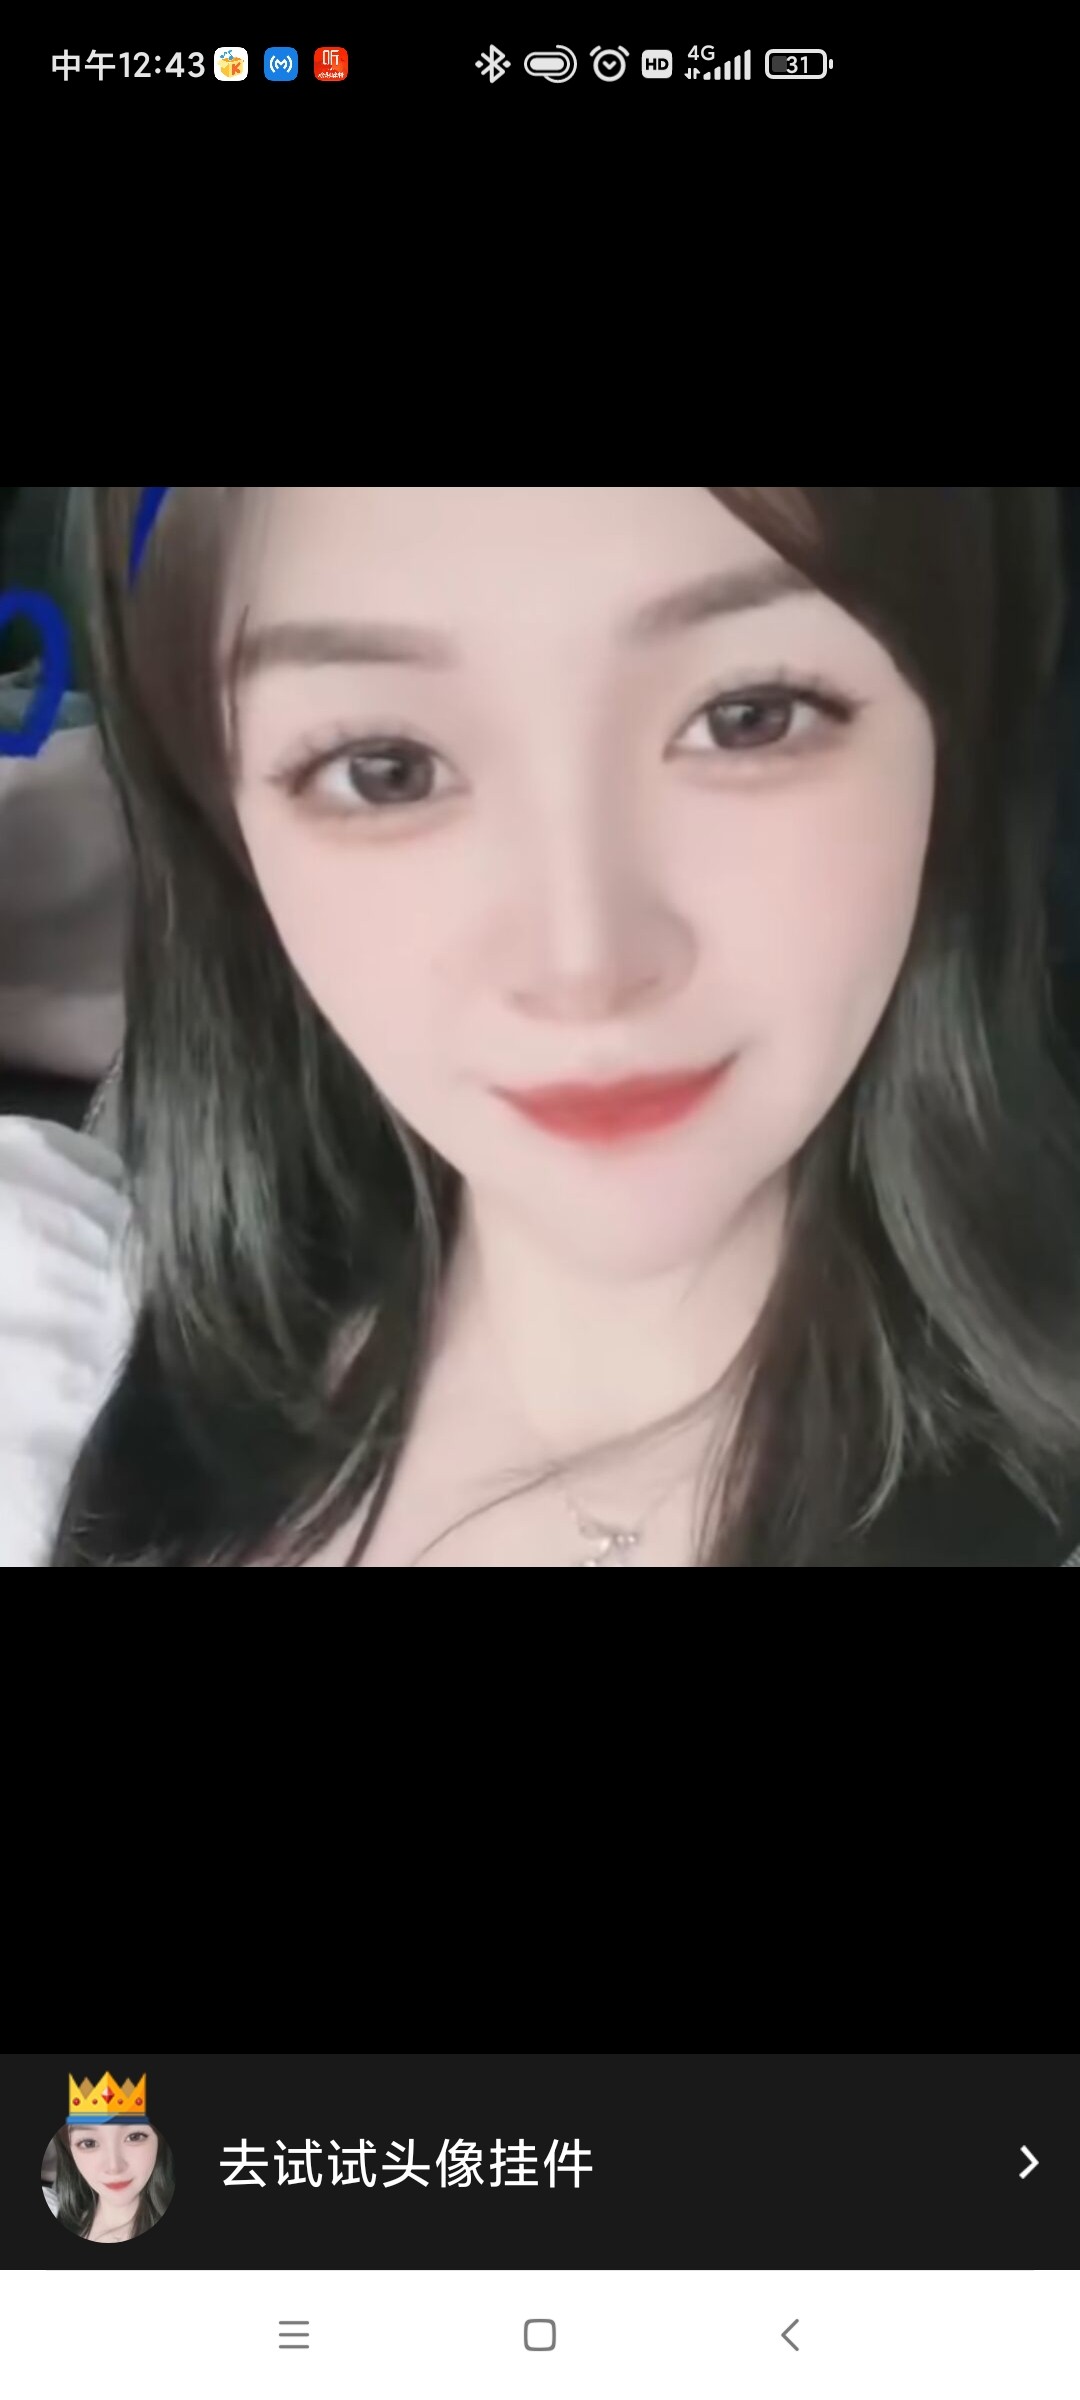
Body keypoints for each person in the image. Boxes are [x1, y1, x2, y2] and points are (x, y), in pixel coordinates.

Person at [3, 485, 1080, 1569]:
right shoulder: (51, 1373)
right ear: (223, 826)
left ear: (957, 717)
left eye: (748, 716)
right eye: (387, 770)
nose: (584, 967)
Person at [50, 2117, 173, 2242]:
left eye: (134, 2137)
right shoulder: (61, 2213)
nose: (114, 2167)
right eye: (89, 2143)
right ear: (69, 2150)